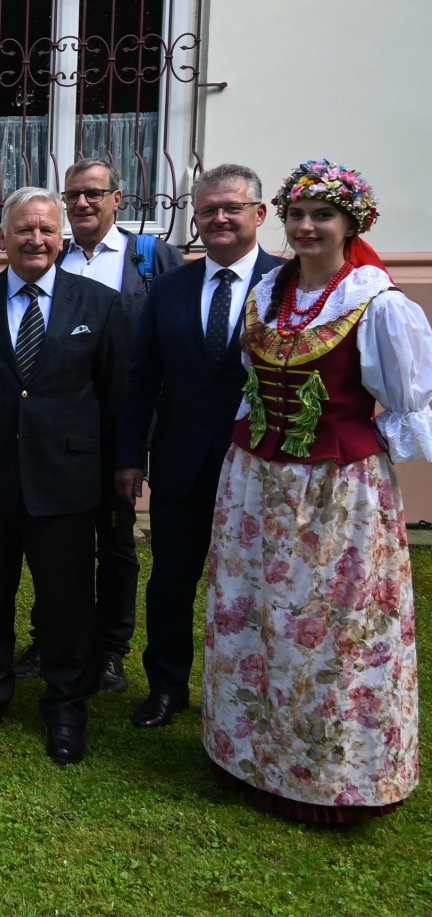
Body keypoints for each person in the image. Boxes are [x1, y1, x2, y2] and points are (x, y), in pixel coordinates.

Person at [203, 160, 431, 822]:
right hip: (255, 483)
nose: (306, 227)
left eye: (322, 216)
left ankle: (329, 775)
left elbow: (405, 402)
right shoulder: (268, 295)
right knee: (254, 615)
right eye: (297, 214)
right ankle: (251, 757)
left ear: (350, 223)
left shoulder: (378, 303)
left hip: (336, 492)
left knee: (332, 630)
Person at [0, 187, 128, 765]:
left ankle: (67, 708)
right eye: (23, 229)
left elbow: (112, 394)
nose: (35, 239)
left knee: (67, 601)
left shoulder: (98, 305)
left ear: (61, 237)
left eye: (46, 229)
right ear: (3, 237)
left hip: (66, 479)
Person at [115, 164, 282, 728]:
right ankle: (167, 686)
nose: (219, 219)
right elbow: (143, 378)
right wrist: (131, 454)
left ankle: (252, 691)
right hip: (183, 460)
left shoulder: (291, 286)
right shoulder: (169, 287)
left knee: (260, 583)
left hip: (265, 465)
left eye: (232, 208)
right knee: (171, 580)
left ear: (259, 214)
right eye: (208, 209)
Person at [13, 159, 185, 693]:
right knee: (51, 540)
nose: (82, 204)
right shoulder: (49, 255)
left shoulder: (149, 260)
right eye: (73, 196)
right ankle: (51, 637)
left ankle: (110, 648)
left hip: (116, 432)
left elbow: (167, 347)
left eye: (93, 194)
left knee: (114, 545)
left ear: (118, 198)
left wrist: (140, 442)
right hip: (54, 436)